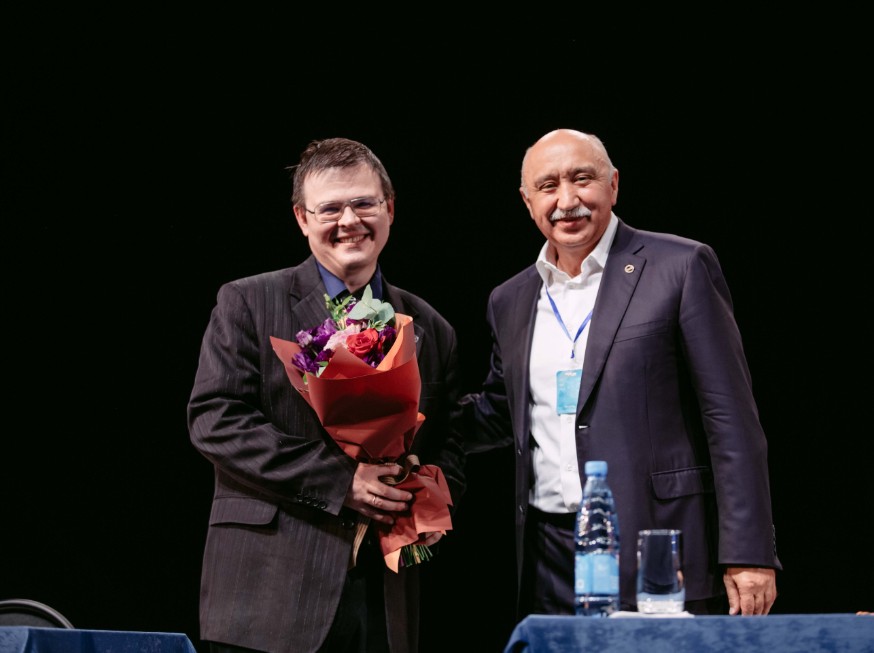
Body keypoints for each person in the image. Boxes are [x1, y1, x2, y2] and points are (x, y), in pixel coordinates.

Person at [453, 128, 780, 623]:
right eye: (548, 186)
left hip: (659, 545)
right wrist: (397, 421)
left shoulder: (680, 266)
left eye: (582, 179)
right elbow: (501, 413)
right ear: (527, 200)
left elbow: (730, 418)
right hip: (549, 557)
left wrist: (750, 551)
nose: (567, 200)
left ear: (613, 185)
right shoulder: (511, 299)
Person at [187, 137, 466, 653]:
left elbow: (450, 445)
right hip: (267, 595)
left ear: (389, 208)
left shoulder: (431, 327)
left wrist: (431, 500)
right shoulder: (247, 302)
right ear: (301, 218)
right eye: (330, 208)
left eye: (363, 203)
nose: (349, 220)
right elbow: (216, 420)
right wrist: (343, 482)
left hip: (385, 598)